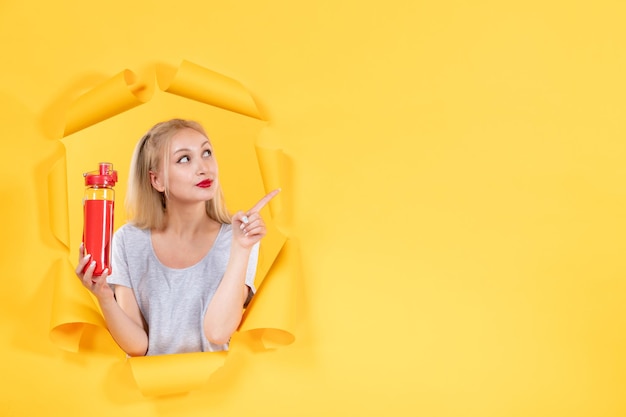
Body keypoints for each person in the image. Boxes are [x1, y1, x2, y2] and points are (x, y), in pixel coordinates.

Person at [75, 118, 279, 356]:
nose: (204, 167)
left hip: (221, 387)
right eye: (184, 158)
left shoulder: (237, 237)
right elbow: (138, 346)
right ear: (157, 180)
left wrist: (241, 248)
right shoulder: (128, 241)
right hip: (151, 387)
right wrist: (104, 296)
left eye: (207, 152)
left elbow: (218, 332)